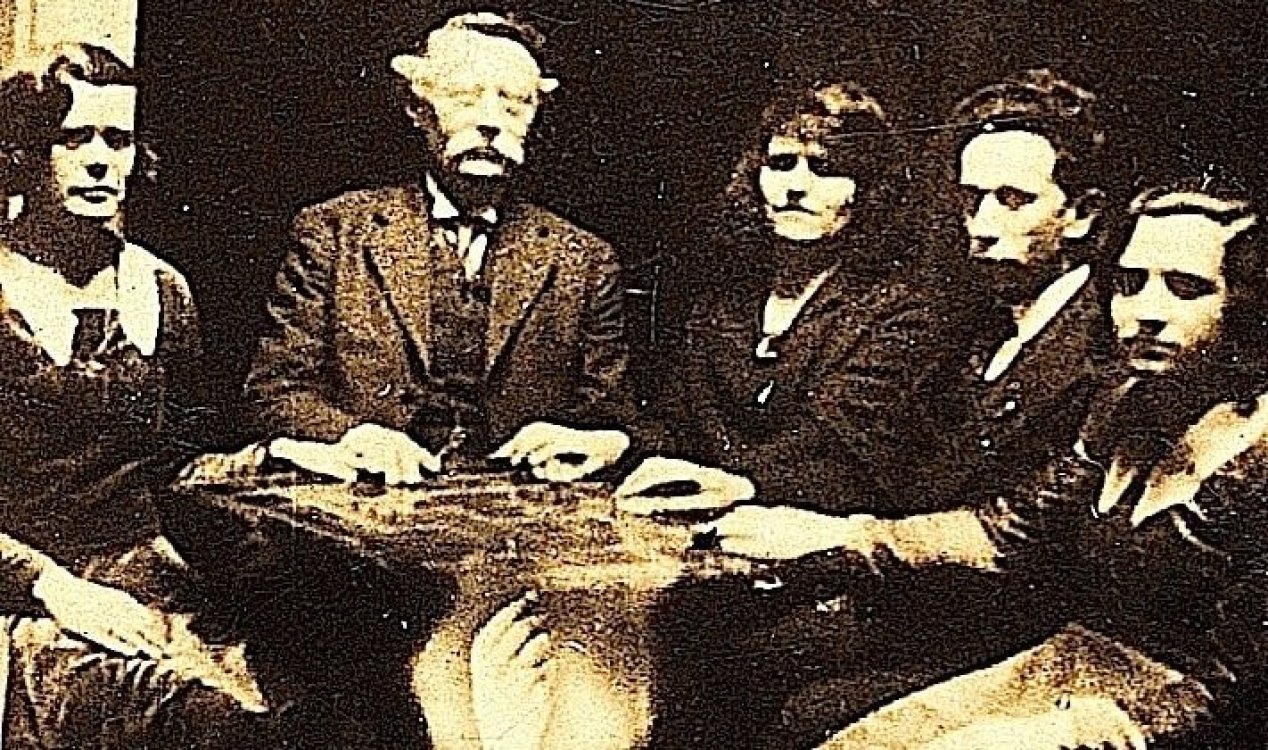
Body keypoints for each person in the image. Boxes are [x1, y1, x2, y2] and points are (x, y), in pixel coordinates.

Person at [720, 180, 1268, 748]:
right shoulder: (1125, 407)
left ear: (1247, 301)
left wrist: (1064, 733)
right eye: (1129, 285)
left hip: (1164, 719)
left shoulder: (1259, 451)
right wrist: (847, 535)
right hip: (1069, 667)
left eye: (1186, 288)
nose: (1148, 312)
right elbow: (1009, 531)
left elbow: (1238, 689)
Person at [0, 45, 272, 747]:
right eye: (73, 139)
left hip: (145, 576)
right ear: (27, 152)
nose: (99, 161)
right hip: (30, 597)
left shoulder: (162, 290)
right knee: (193, 714)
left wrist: (281, 456)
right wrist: (55, 588)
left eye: (117, 140)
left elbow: (179, 469)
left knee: (293, 692)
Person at [242, 12, 633, 486]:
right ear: (417, 107)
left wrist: (582, 440)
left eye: (513, 104)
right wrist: (356, 435)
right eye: (464, 98)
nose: (490, 120)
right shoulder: (334, 231)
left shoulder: (584, 259)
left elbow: (611, 416)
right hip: (366, 501)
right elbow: (273, 392)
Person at [615, 80, 986, 516]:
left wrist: (742, 484)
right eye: (781, 163)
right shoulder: (725, 303)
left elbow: (841, 454)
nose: (796, 186)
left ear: (865, 190)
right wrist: (617, 442)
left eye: (825, 169)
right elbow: (680, 426)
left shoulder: (900, 315)